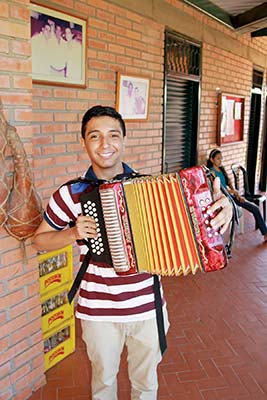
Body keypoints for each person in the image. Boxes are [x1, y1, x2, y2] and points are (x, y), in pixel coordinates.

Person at [33, 106, 233, 400]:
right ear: (83, 143)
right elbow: (40, 241)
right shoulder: (70, 193)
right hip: (97, 311)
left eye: (113, 135)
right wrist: (72, 233)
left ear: (124, 140)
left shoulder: (152, 188)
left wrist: (224, 205)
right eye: (95, 136)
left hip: (147, 307)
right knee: (103, 383)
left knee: (146, 384)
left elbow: (200, 226)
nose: (105, 145)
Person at [207, 148, 267, 242]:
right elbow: (219, 190)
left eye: (221, 158)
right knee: (253, 208)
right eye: (218, 158)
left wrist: (237, 194)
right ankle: (265, 233)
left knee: (255, 208)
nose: (220, 161)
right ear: (211, 159)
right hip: (224, 199)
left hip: (231, 196)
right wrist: (233, 193)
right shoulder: (211, 172)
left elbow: (229, 184)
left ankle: (265, 232)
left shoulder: (221, 169)